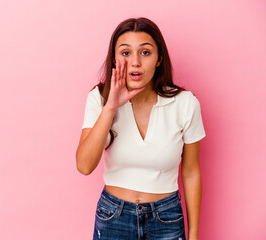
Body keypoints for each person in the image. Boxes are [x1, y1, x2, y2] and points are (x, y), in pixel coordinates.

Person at [76, 17, 206, 240]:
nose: (135, 62)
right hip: (113, 216)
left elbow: (191, 172)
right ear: (115, 59)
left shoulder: (185, 103)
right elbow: (85, 165)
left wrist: (193, 235)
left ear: (158, 59)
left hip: (166, 218)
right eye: (126, 53)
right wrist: (111, 107)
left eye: (145, 52)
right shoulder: (99, 99)